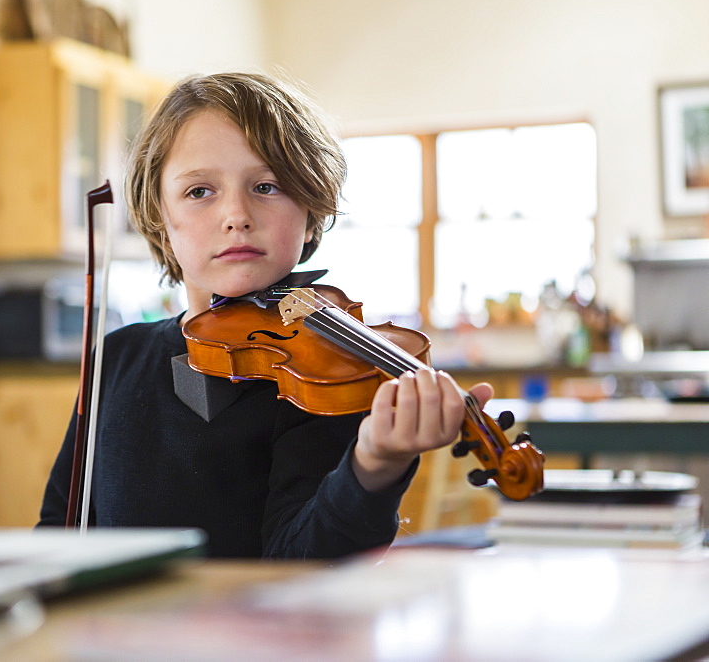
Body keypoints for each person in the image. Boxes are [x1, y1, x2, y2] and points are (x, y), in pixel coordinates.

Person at [37, 72, 492, 559]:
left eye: (267, 186)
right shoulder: (117, 358)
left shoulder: (327, 372)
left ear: (311, 211)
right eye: (199, 192)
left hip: (259, 634)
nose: (237, 214)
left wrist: (375, 464)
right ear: (159, 218)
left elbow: (303, 564)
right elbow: (57, 531)